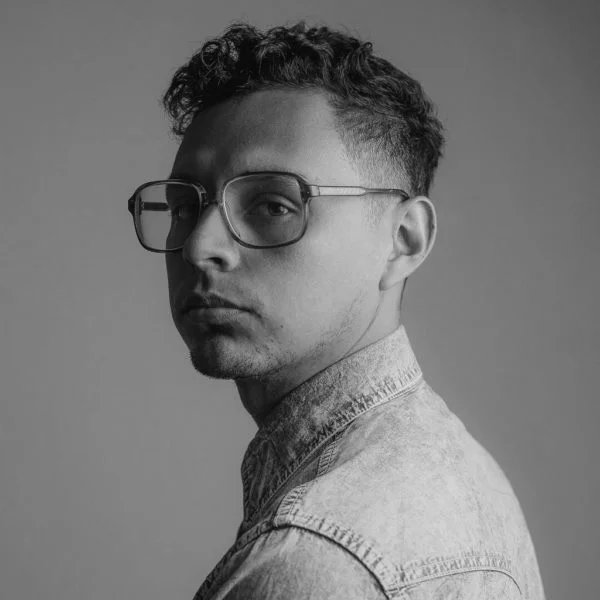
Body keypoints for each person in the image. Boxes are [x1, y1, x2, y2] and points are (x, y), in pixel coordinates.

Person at [127, 22, 546, 600]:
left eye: (273, 205)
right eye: (183, 207)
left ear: (403, 239)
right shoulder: (456, 471)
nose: (200, 246)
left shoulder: (317, 562)